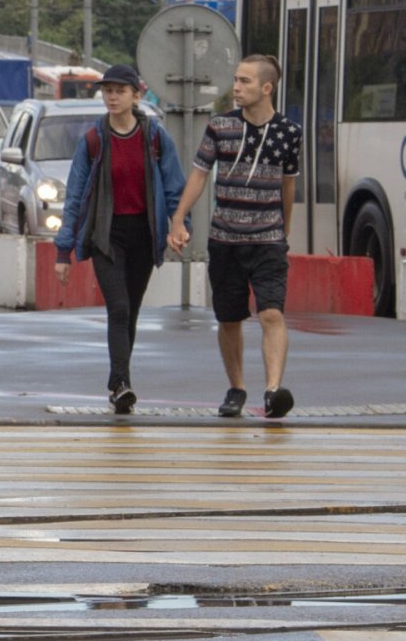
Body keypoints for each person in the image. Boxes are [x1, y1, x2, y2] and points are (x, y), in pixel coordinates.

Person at [167, 54, 303, 419]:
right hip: (225, 239)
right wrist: (179, 219)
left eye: (244, 81)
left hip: (268, 241)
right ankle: (237, 388)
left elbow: (287, 186)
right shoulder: (220, 127)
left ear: (266, 88)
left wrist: (284, 231)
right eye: (236, 80)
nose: (236, 87)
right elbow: (198, 175)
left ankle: (274, 391)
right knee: (229, 318)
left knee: (272, 313)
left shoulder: (289, 133)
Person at [53, 65, 186, 414]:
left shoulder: (155, 138)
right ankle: (121, 383)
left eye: (119, 91)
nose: (111, 97)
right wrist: (63, 250)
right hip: (106, 235)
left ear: (136, 96)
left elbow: (175, 187)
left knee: (132, 311)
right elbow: (75, 195)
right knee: (120, 307)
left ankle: (119, 382)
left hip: (143, 235)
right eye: (107, 91)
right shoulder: (94, 141)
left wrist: (177, 225)